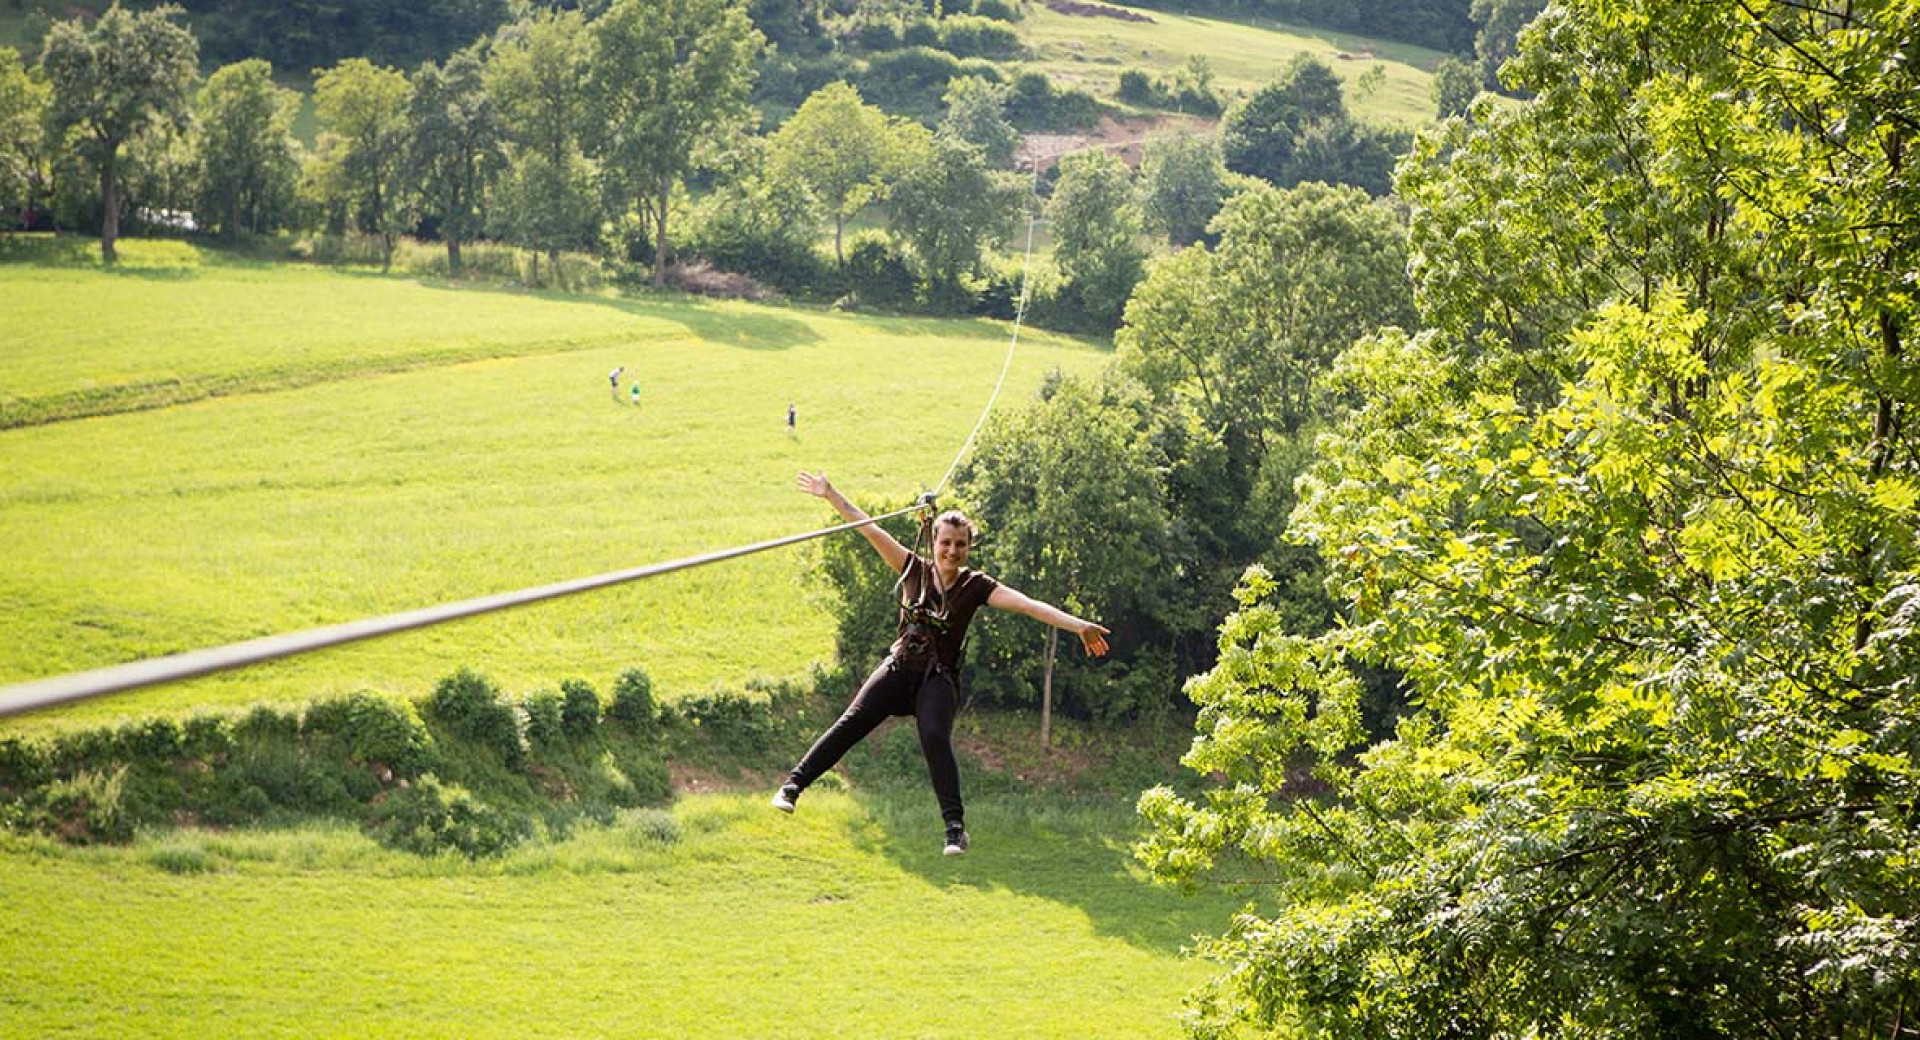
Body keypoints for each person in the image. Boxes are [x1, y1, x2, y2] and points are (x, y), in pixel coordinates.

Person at [773, 470, 1110, 856]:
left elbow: (1029, 606)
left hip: (937, 680)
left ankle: (955, 830)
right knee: (852, 721)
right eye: (946, 543)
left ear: (968, 548)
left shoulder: (976, 586)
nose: (952, 552)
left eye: (960, 545)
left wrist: (1079, 626)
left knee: (934, 736)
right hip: (900, 669)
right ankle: (793, 786)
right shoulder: (912, 568)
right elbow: (868, 528)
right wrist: (830, 494)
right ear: (934, 541)